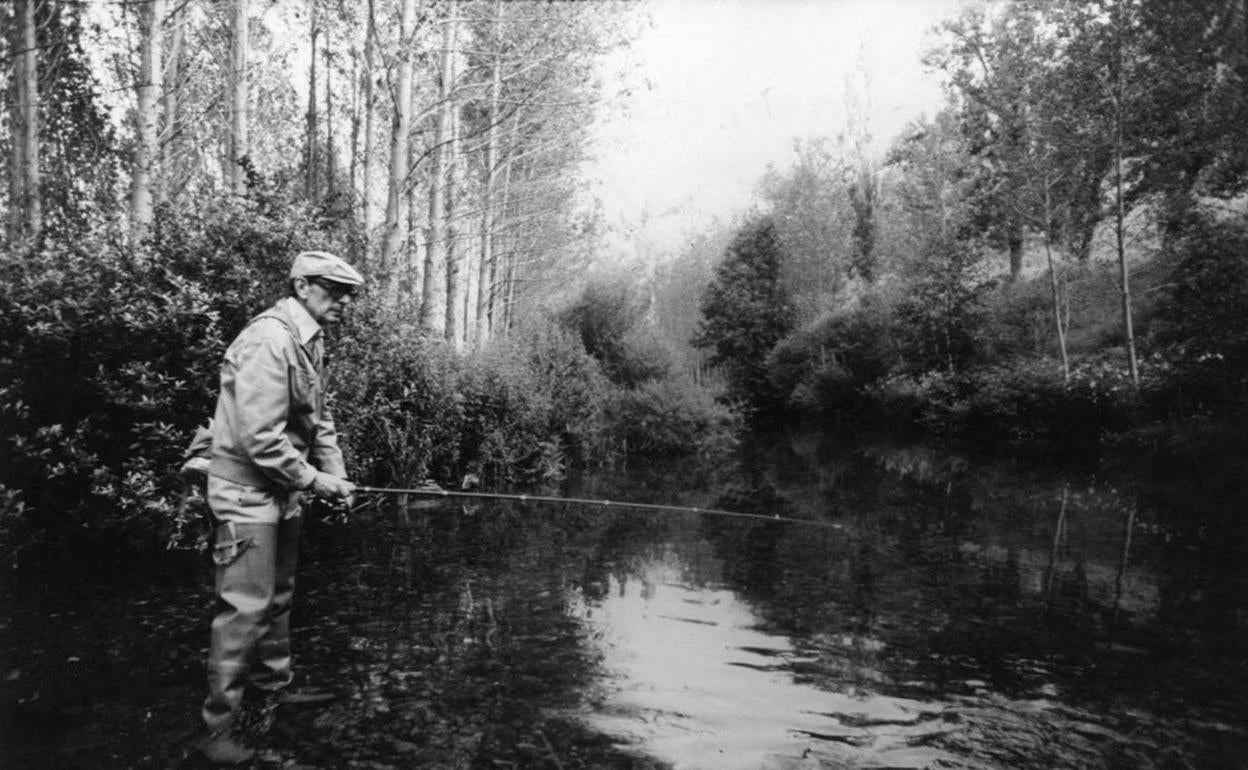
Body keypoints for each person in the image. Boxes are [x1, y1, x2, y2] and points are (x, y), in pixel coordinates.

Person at [197, 250, 362, 764]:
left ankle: (272, 694)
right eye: (333, 291)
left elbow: (321, 417)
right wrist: (315, 479)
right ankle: (216, 730)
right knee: (242, 609)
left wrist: (333, 473)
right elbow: (260, 437)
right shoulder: (270, 339)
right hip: (245, 490)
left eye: (347, 294)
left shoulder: (309, 338)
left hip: (282, 490)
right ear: (302, 287)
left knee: (280, 597)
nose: (343, 302)